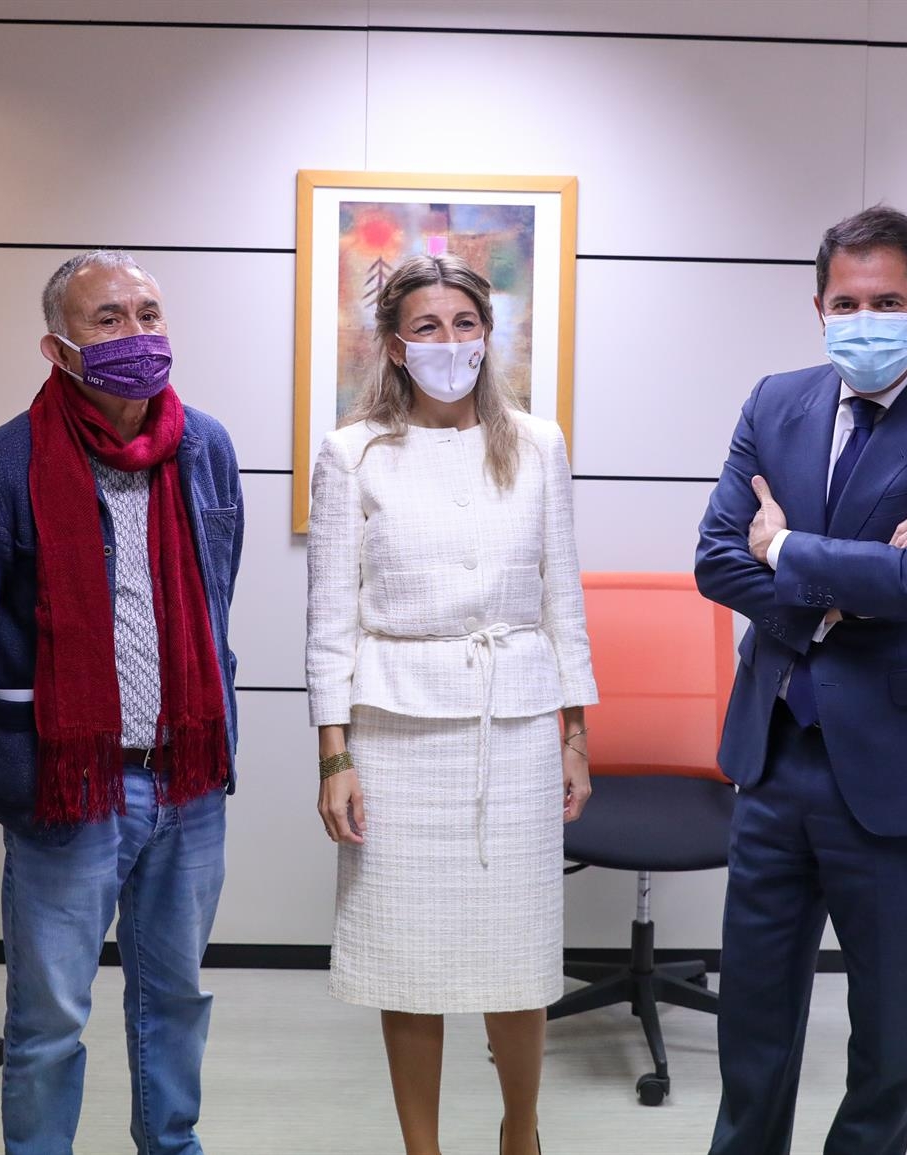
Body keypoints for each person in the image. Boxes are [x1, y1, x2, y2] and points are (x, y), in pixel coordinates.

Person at [695, 205, 907, 1155]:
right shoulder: (775, 401)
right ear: (818, 306)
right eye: (846, 301)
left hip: (896, 777)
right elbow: (716, 558)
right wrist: (840, 588)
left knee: (885, 1042)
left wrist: (787, 546)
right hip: (775, 755)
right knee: (751, 1024)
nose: (863, 318)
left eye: (887, 301)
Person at [305, 253, 597, 1155]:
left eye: (464, 324)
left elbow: (564, 600)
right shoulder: (352, 453)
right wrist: (335, 757)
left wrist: (575, 733)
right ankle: (421, 1147)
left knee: (516, 950)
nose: (448, 342)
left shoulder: (538, 444)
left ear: (488, 334)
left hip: (511, 727)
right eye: (427, 327)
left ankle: (521, 1129)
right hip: (395, 731)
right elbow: (329, 619)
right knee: (409, 955)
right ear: (395, 345)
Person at [0, 249, 243, 1155]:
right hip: (70, 781)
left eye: (149, 313)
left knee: (176, 997)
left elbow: (217, 592)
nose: (138, 334)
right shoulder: (7, 461)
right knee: (49, 1017)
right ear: (58, 348)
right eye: (109, 319)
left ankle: (171, 1144)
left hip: (187, 779)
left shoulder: (205, 446)